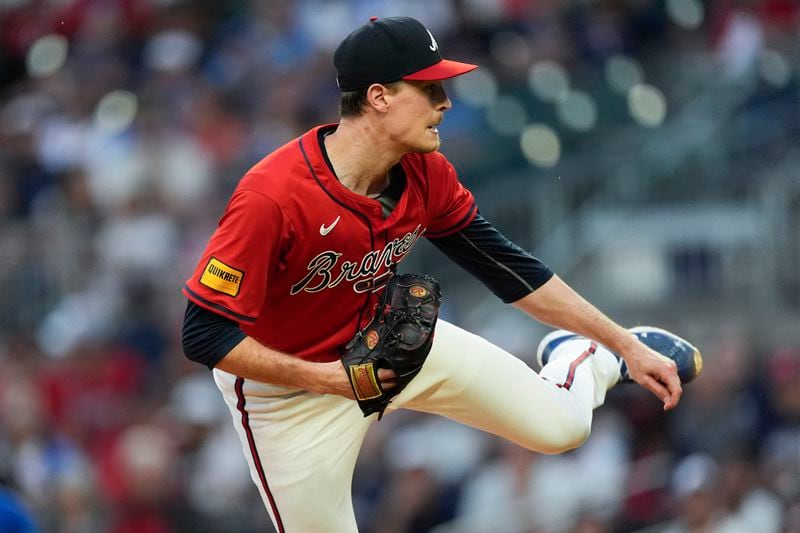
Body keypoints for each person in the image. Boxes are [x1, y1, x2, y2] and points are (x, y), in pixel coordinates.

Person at [180, 16, 701, 532]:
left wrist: (621, 341)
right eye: (430, 88)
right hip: (290, 395)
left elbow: (511, 272)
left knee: (562, 427)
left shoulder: (426, 172)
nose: (446, 102)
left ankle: (592, 356)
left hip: (389, 342)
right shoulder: (271, 197)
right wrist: (325, 379)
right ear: (380, 96)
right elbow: (203, 333)